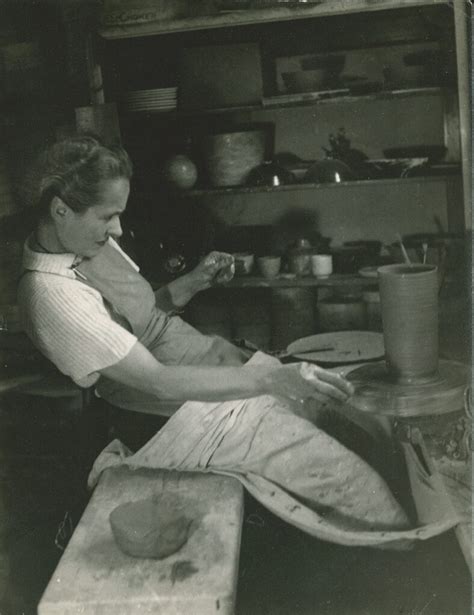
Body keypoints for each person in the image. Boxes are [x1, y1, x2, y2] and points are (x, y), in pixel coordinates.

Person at [18, 136, 451, 549]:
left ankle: (422, 524)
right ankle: (412, 561)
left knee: (360, 418)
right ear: (60, 210)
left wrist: (193, 282)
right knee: (352, 481)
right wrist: (270, 381)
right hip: (172, 420)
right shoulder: (53, 295)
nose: (116, 229)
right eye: (106, 216)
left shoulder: (81, 241)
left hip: (201, 377)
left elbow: (142, 315)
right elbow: (158, 382)